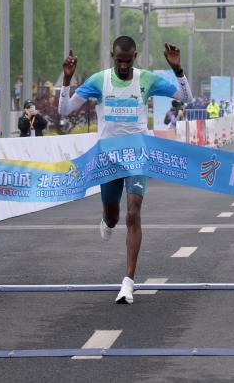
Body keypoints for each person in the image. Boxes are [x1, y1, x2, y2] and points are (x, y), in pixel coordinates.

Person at [58, 37, 192, 305]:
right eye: (119, 60)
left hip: (137, 156)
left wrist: (177, 69)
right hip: (108, 158)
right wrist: (67, 79)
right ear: (112, 56)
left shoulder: (146, 79)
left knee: (133, 213)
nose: (123, 66)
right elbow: (64, 110)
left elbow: (186, 98)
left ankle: (128, 282)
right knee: (113, 216)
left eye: (128, 61)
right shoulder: (99, 80)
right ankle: (107, 222)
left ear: (135, 57)